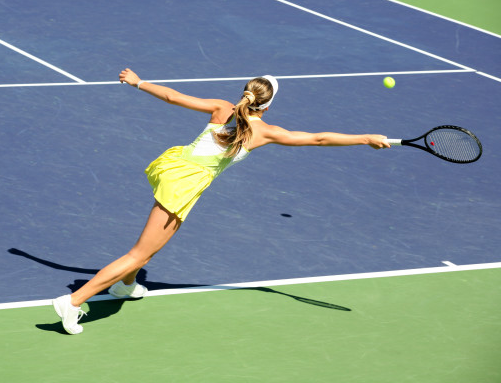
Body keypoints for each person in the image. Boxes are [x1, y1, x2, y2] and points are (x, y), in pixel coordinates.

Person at [52, 68, 390, 334]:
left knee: (153, 247)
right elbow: (318, 139)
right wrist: (365, 138)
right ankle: (74, 301)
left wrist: (139, 83)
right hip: (185, 184)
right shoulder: (265, 132)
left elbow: (172, 96)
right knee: (139, 252)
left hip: (175, 167)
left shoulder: (222, 108)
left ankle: (126, 286)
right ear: (267, 106)